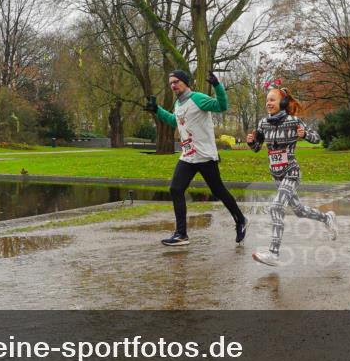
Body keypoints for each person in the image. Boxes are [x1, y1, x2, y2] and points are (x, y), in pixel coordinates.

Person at [144, 70, 247, 246]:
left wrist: (217, 86)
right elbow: (174, 122)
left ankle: (240, 219)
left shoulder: (198, 98)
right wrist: (157, 110)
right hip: (188, 156)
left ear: (185, 82)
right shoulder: (178, 104)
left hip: (205, 155)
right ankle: (181, 234)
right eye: (171, 83)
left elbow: (221, 106)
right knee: (176, 189)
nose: (173, 85)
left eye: (176, 81)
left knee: (218, 191)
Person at [246, 81, 337, 266]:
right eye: (267, 100)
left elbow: (316, 138)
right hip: (276, 175)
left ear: (283, 103)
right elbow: (257, 148)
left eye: (272, 100)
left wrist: (304, 135)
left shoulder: (293, 121)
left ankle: (274, 253)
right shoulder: (263, 123)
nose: (268, 103)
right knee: (300, 211)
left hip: (291, 172)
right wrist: (251, 142)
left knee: (276, 207)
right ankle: (326, 217)